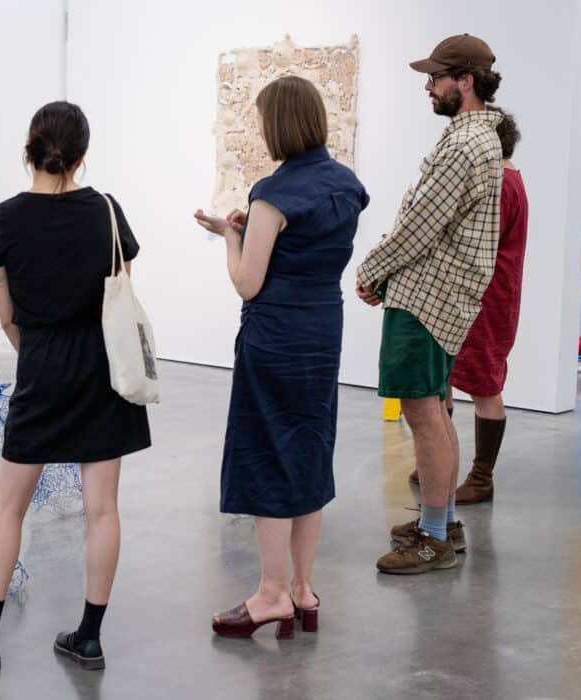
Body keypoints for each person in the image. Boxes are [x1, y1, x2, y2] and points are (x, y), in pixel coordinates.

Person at [0, 101, 151, 670]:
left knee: (9, 509)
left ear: (28, 148)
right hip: (104, 374)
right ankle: (89, 637)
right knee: (102, 510)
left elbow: (7, 314)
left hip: (40, 372)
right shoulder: (107, 212)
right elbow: (119, 299)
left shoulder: (3, 219)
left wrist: (38, 354)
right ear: (83, 154)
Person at [194, 76, 368, 638]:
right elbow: (310, 250)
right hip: (322, 333)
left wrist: (229, 236)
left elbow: (248, 283)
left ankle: (270, 596)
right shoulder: (346, 186)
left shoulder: (272, 193)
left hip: (274, 339)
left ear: (279, 124)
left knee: (269, 454)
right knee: (310, 450)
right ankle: (303, 589)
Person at [355, 34, 503, 574]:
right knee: (435, 411)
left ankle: (434, 537)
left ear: (465, 81)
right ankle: (442, 525)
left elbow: (420, 225)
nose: (428, 86)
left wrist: (373, 271)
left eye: (436, 77)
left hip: (428, 298)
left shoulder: (466, 146)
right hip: (433, 295)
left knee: (423, 413)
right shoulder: (477, 140)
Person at [409, 108, 527, 504]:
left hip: (487, 299)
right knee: (446, 376)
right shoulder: (507, 180)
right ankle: (440, 460)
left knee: (484, 385)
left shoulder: (504, 185)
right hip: (478, 294)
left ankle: (481, 476)